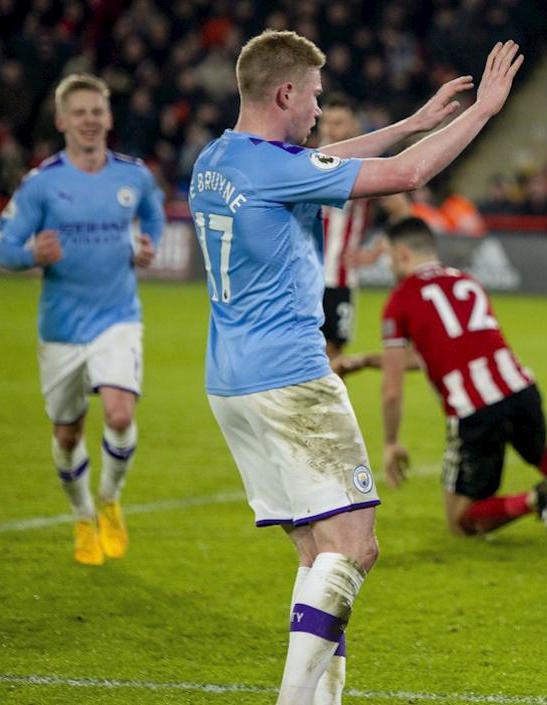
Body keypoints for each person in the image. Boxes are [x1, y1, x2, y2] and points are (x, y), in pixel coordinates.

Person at [187, 29, 522, 705]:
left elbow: (323, 160)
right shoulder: (273, 168)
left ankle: (324, 699)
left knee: (319, 554)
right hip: (290, 379)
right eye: (314, 96)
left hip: (230, 382)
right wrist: (483, 111)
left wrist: (414, 122)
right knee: (354, 546)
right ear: (286, 93)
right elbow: (407, 177)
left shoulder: (217, 159)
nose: (319, 111)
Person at [342, 216, 547, 543]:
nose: (389, 266)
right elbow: (442, 352)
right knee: (539, 453)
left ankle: (534, 500)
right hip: (520, 389)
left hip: (475, 409)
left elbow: (392, 391)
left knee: (460, 521)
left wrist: (390, 443)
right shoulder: (466, 281)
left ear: (402, 254)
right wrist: (368, 361)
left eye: (388, 257)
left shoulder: (400, 300)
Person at [0, 73, 164, 566]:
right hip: (62, 328)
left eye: (97, 111)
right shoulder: (42, 183)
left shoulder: (133, 176)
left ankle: (110, 500)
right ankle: (83, 513)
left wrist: (147, 245)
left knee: (120, 414)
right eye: (80, 112)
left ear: (108, 118)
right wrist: (31, 254)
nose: (89, 120)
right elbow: (4, 248)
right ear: (61, 120)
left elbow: (154, 216)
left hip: (118, 317)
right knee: (67, 435)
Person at [316, 94, 383, 360]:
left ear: (354, 125)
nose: (330, 130)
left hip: (339, 279)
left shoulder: (364, 166)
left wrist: (374, 252)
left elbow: (401, 209)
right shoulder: (306, 159)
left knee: (333, 355)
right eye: (327, 122)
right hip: (302, 276)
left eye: (339, 123)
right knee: (298, 354)